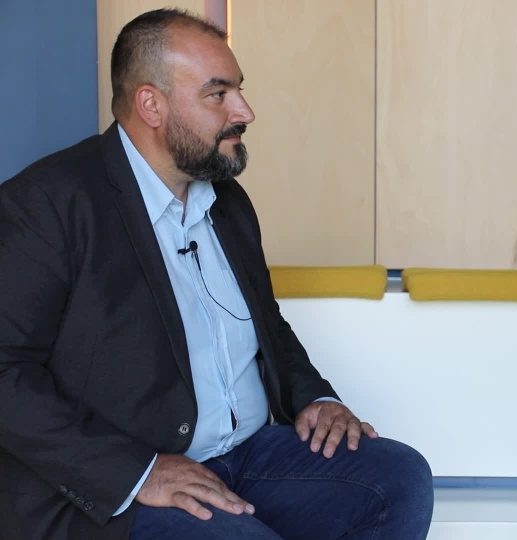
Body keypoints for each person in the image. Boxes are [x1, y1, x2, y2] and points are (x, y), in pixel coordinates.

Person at [0, 8, 433, 540]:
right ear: (151, 105)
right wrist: (136, 472)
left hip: (246, 457)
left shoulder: (228, 201)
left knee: (396, 478)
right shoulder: (47, 204)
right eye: (218, 94)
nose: (244, 110)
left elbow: (266, 325)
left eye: (238, 90)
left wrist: (318, 400)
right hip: (124, 484)